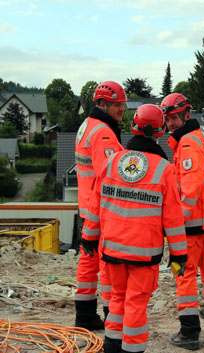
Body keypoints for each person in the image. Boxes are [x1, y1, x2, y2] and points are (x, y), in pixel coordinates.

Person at [81, 104, 187, 353]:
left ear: (133, 127)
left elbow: (96, 205)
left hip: (112, 250)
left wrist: (89, 236)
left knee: (116, 299)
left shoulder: (111, 162)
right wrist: (179, 255)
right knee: (136, 304)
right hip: (143, 254)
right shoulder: (164, 170)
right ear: (160, 132)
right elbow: (173, 219)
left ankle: (113, 352)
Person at [160, 92, 204, 350]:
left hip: (192, 224)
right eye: (168, 120)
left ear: (187, 114)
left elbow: (190, 189)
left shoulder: (188, 144)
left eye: (174, 118)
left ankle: (189, 331)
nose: (170, 124)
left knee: (183, 273)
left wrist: (176, 222)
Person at [74, 81, 126, 330]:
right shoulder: (104, 133)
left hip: (88, 207)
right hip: (102, 210)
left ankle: (84, 314)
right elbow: (110, 175)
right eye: (117, 106)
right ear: (103, 104)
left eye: (123, 105)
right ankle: (110, 313)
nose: (121, 110)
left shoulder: (87, 126)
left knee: (88, 259)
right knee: (107, 263)